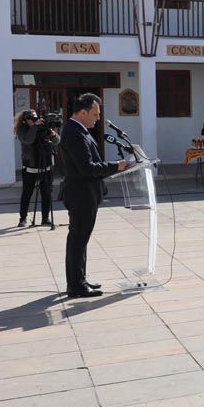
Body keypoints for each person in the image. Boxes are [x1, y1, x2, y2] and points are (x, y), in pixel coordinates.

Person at [59, 94, 127, 297]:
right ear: (82, 112)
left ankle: (79, 279)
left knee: (81, 239)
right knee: (78, 240)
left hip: (86, 193)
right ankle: (76, 285)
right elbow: (87, 168)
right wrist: (115, 166)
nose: (98, 118)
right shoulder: (74, 133)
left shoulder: (80, 130)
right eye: (95, 114)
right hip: (81, 194)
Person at [14, 110, 59, 227]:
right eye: (31, 120)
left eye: (35, 119)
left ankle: (45, 218)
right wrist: (34, 127)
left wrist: (52, 134)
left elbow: (57, 141)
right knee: (27, 193)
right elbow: (27, 140)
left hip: (46, 165)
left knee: (47, 192)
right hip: (30, 167)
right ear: (25, 121)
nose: (33, 121)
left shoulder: (41, 127)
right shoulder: (22, 130)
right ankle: (22, 218)